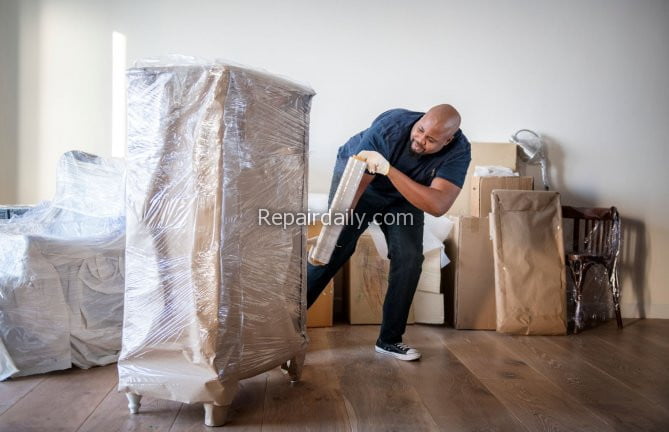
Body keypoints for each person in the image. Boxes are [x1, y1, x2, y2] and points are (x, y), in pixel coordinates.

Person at [307, 104, 471, 361]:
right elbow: (357, 186)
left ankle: (390, 340)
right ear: (419, 120)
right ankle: (284, 328)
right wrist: (333, 228)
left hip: (403, 192)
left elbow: (438, 205)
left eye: (431, 140)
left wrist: (390, 170)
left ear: (448, 140)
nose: (420, 140)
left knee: (409, 257)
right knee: (334, 249)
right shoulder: (390, 128)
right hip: (359, 179)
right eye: (419, 130)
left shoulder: (459, 151)